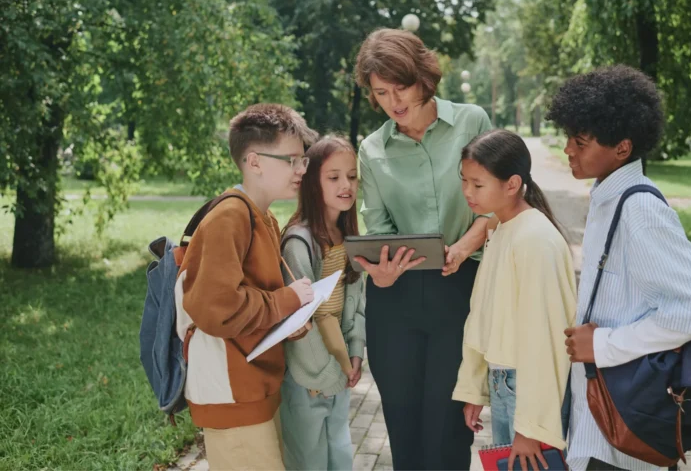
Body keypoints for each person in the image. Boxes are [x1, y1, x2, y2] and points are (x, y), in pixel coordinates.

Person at [547, 65, 691, 471]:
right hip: (604, 420)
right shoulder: (609, 198)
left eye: (581, 141)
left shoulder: (639, 209)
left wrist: (605, 345)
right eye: (567, 137)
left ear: (622, 148)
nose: (568, 150)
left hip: (627, 433)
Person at [353, 28, 493, 469]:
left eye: (401, 87)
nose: (393, 101)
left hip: (462, 293)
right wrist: (380, 270)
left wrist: (470, 239)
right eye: (380, 92)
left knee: (448, 433)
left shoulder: (472, 122)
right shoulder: (372, 149)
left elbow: (508, 201)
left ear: (423, 78)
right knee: (406, 435)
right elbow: (378, 228)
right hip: (396, 301)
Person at [176, 104, 318, 471]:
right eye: (292, 160)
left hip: (253, 388)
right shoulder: (230, 217)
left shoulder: (262, 216)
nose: (302, 169)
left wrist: (290, 318)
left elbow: (255, 299)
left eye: (303, 160)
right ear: (254, 161)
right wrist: (286, 300)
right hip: (233, 395)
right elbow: (218, 309)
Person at [452, 130, 577, 471]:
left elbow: (547, 340)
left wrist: (531, 428)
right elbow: (486, 314)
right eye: (464, 181)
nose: (467, 192)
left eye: (478, 185)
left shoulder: (535, 240)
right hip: (505, 383)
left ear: (512, 184)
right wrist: (477, 388)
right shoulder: (502, 229)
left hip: (528, 390)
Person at [278, 136, 366, 470]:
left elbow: (356, 300)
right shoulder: (299, 243)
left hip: (339, 365)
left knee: (340, 456)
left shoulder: (348, 237)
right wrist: (326, 374)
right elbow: (299, 321)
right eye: (334, 177)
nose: (346, 185)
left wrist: (355, 353)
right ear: (313, 183)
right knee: (309, 460)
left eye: (352, 176)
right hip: (308, 374)